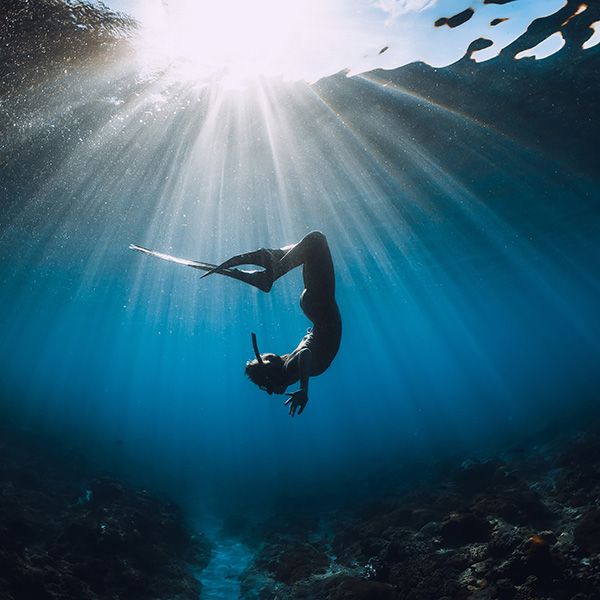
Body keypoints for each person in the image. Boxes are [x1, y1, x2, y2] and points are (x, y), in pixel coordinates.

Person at [201, 231, 342, 417]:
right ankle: (273, 264)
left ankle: (272, 270)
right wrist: (303, 389)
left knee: (315, 242)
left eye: (265, 388)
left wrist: (304, 388)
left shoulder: (291, 368)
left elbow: (306, 353)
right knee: (314, 244)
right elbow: (305, 354)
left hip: (321, 309)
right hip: (319, 309)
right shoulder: (291, 368)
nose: (270, 392)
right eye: (265, 388)